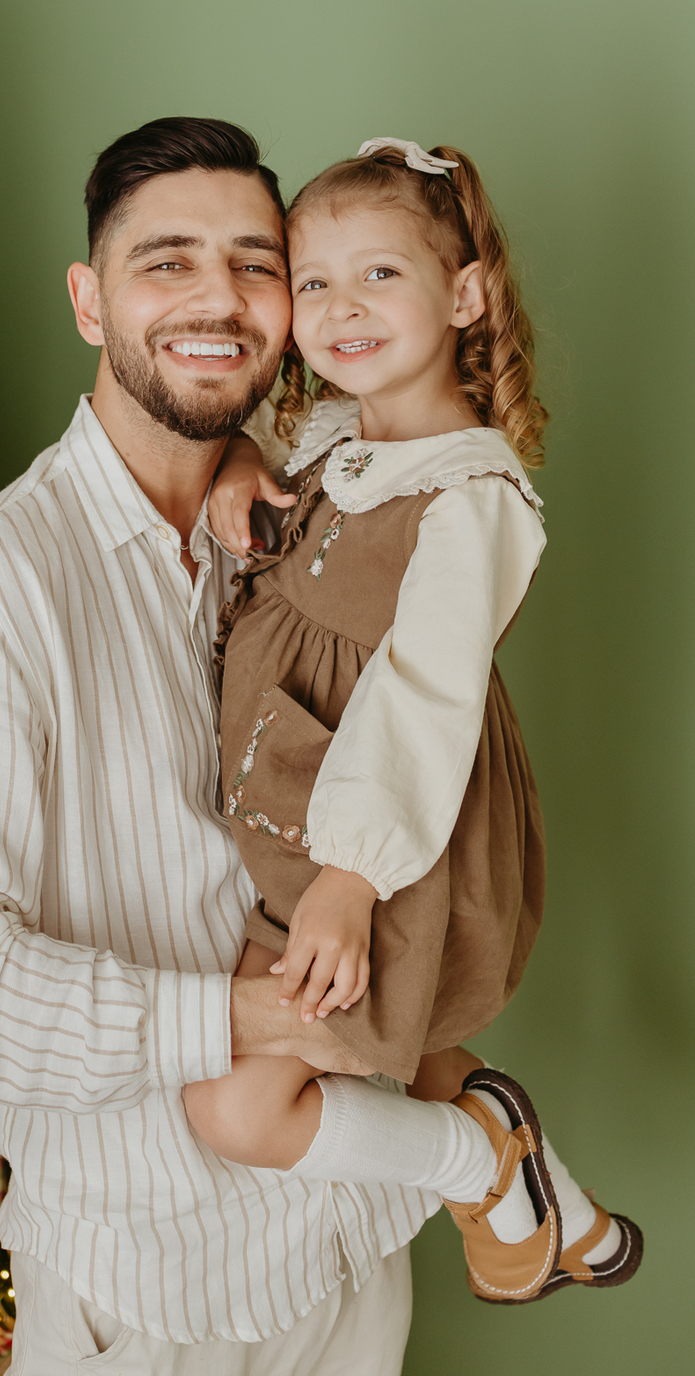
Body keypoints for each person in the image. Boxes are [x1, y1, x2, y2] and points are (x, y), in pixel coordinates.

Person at [0, 119, 428, 1375]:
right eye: (166, 262)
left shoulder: (303, 521)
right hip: (152, 1280)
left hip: (354, 1230)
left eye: (253, 264)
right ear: (90, 302)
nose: (216, 301)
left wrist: (251, 464)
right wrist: (246, 1023)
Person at [183, 137, 643, 1305]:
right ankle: (564, 1215)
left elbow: (427, 692)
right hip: (300, 815)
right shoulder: (339, 441)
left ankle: (483, 1166)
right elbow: (277, 496)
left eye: (379, 275)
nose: (342, 308)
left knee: (241, 1108)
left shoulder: (471, 496)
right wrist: (237, 468)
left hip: (378, 841)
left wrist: (351, 877)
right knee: (410, 1039)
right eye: (315, 281)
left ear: (466, 293)